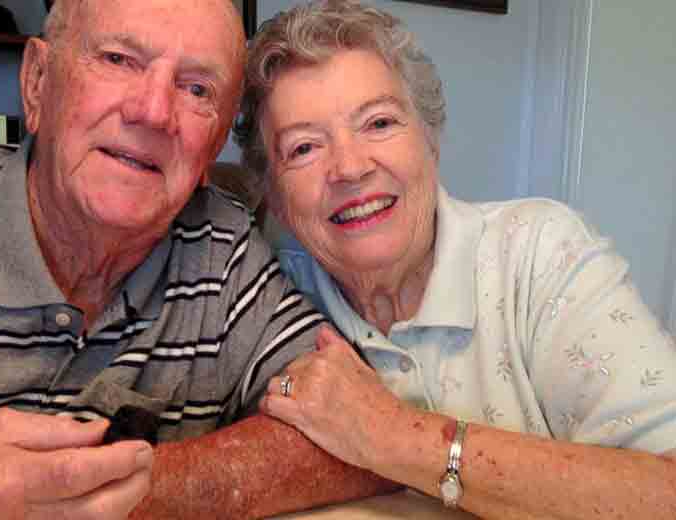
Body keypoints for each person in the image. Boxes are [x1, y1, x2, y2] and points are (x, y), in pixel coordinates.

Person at [0, 0, 398, 518]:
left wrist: (111, 496)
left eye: (197, 89)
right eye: (118, 59)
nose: (153, 111)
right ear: (37, 83)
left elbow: (360, 435)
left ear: (213, 145)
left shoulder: (223, 249)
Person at [233, 1, 676, 518]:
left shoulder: (540, 254)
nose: (350, 168)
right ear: (274, 194)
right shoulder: (264, 298)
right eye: (304, 148)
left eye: (378, 122)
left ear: (430, 143)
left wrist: (393, 436)